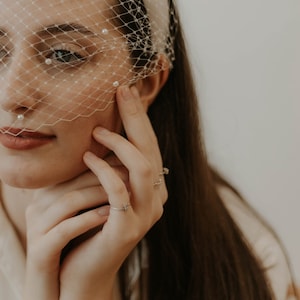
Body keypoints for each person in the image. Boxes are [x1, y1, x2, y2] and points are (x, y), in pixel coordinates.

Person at [0, 0, 297, 299]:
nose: (11, 95)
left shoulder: (245, 258)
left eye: (63, 54)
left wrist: (86, 289)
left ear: (144, 84)